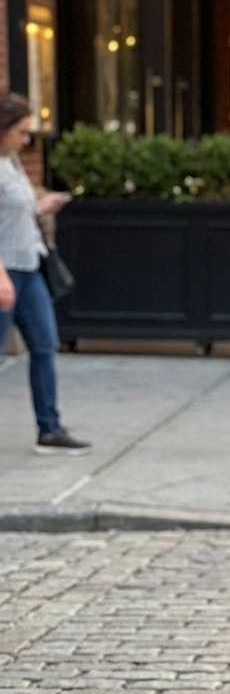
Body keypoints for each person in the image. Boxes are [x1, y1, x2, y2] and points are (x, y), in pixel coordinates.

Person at [0, 94, 90, 453]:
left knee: (44, 344)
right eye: (21, 132)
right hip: (5, 272)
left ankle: (49, 429)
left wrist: (41, 206)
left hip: (29, 265)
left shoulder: (13, 164)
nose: (26, 140)